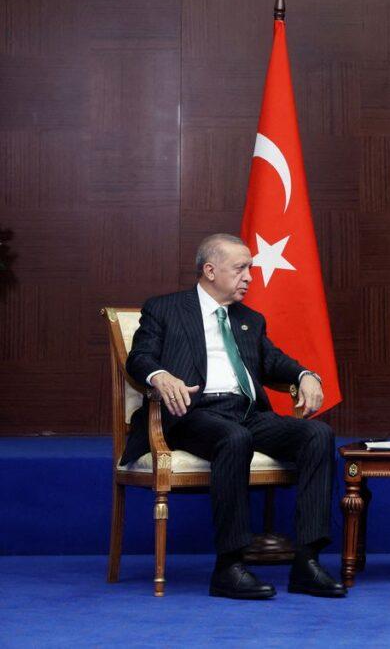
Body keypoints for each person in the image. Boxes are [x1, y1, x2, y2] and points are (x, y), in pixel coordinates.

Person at [120, 233, 345, 600]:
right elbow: (139, 357)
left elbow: (273, 362)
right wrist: (159, 376)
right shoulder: (165, 309)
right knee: (233, 438)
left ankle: (307, 561)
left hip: (245, 411)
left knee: (316, 434)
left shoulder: (249, 320)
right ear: (210, 270)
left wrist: (306, 375)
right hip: (192, 413)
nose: (249, 278)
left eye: (251, 269)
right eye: (240, 269)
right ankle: (229, 566)